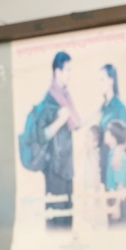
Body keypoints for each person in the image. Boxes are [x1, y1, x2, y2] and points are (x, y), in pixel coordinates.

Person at [38, 52, 79, 228]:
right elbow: (41, 135)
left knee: (68, 220)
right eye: (67, 70)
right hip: (54, 171)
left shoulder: (66, 98)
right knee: (57, 222)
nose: (70, 74)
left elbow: (76, 123)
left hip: (67, 170)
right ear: (57, 72)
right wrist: (59, 121)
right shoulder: (48, 101)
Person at [98, 64, 126, 181]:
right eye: (98, 80)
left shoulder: (119, 106)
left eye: (102, 79)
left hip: (116, 163)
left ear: (111, 80)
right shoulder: (103, 107)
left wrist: (117, 153)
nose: (99, 84)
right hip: (104, 160)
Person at [104, 119, 126, 224]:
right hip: (113, 198)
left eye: (108, 131)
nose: (105, 133)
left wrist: (116, 206)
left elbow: (120, 184)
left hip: (119, 200)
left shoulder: (119, 156)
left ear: (113, 136)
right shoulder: (113, 153)